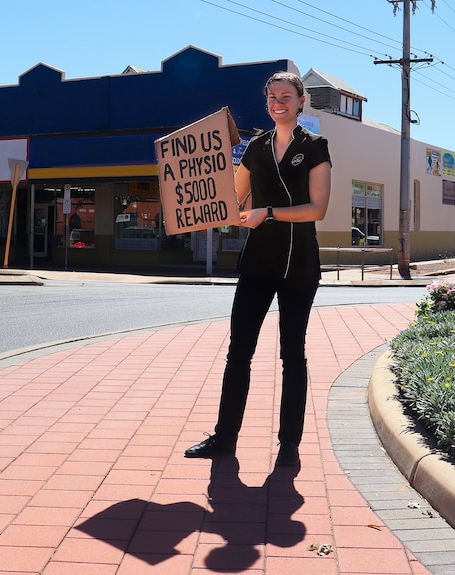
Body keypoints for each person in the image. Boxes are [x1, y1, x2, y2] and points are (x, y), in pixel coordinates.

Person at [185, 71, 331, 467]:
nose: (277, 102)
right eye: (271, 96)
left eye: (285, 96)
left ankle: (289, 444)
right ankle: (224, 437)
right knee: (239, 352)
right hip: (256, 263)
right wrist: (201, 192)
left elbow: (317, 209)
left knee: (292, 354)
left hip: (299, 264)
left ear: (301, 101)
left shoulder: (315, 146)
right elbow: (233, 198)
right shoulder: (256, 146)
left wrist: (266, 213)